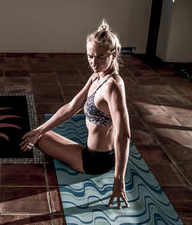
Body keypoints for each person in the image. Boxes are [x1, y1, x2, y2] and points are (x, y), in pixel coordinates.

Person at [21, 20, 131, 210]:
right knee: (37, 133)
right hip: (92, 152)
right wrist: (39, 129)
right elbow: (71, 107)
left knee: (39, 139)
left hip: (95, 161)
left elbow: (124, 134)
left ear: (115, 54)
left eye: (100, 57)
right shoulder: (97, 76)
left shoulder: (113, 86)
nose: (93, 63)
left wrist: (118, 180)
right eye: (90, 56)